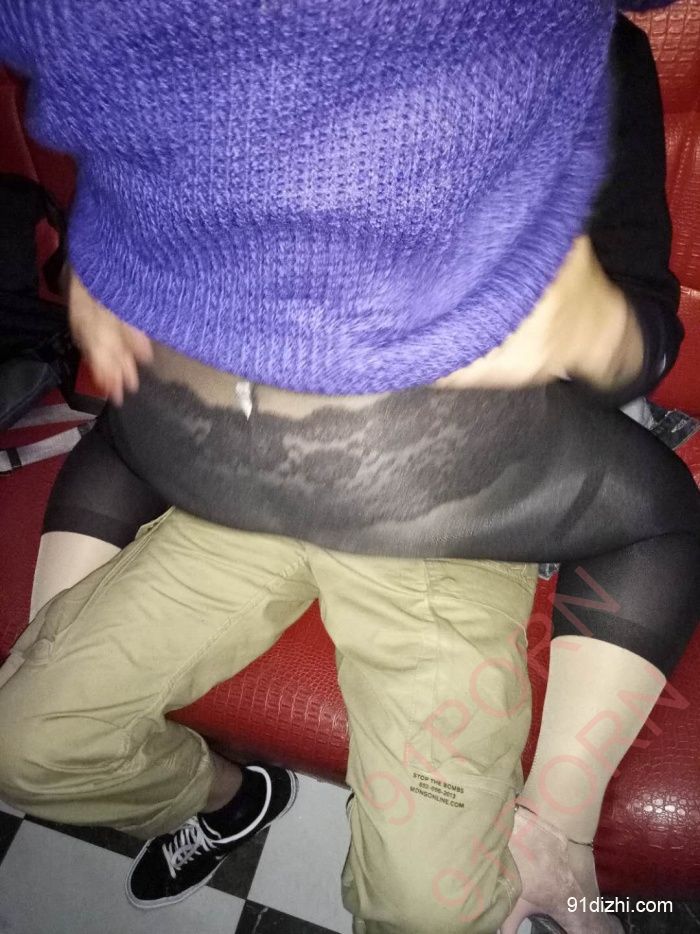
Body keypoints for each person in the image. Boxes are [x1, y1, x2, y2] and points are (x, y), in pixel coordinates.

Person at [0, 4, 695, 933]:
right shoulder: (211, 42)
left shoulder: (586, 47)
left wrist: (590, 329)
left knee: (429, 913)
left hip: (451, 513)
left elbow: (643, 332)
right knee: (27, 744)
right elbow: (142, 385)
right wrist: (61, 639)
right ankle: (230, 802)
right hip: (236, 487)